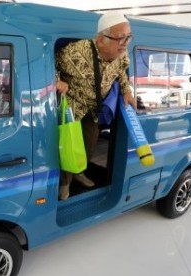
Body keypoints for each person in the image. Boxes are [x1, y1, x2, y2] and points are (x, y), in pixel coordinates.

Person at [55, 11, 136, 200]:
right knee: (70, 146)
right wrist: (57, 80)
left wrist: (126, 90)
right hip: (74, 105)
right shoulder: (74, 52)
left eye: (128, 38)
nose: (125, 44)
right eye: (120, 38)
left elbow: (121, 73)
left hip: (96, 108)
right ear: (101, 40)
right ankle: (64, 183)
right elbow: (51, 63)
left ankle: (79, 173)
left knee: (90, 144)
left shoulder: (121, 55)